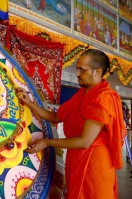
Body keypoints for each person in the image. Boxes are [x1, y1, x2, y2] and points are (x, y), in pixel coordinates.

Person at [16, 49, 127, 199]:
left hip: (95, 163)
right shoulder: (81, 94)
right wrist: (29, 103)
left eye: (82, 70)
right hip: (76, 157)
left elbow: (85, 141)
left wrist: (47, 142)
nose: (77, 74)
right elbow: (56, 117)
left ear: (97, 71)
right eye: (77, 69)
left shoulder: (103, 98)